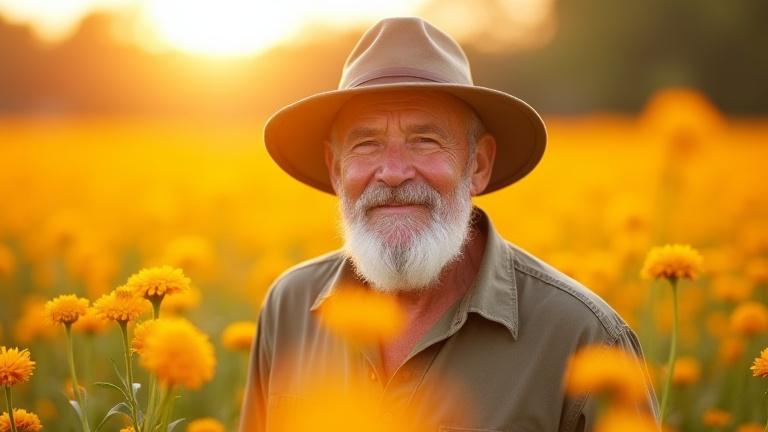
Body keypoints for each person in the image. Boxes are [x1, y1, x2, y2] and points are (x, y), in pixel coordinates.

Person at [240, 17, 658, 432]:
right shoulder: (289, 308)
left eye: (425, 140)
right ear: (336, 170)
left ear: (477, 165)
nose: (393, 172)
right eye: (367, 144)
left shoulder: (584, 338)